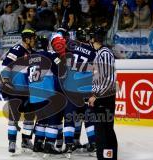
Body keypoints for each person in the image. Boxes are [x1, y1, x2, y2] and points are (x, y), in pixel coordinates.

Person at [50, 26, 97, 158]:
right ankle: (93, 144)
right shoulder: (92, 50)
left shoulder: (68, 47)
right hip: (87, 87)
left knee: (69, 117)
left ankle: (69, 145)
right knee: (88, 117)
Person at [0, 29, 37, 155]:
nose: (34, 40)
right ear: (26, 39)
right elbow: (5, 66)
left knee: (29, 118)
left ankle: (26, 140)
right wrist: (5, 79)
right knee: (14, 117)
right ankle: (12, 141)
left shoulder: (32, 52)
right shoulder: (16, 50)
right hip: (15, 90)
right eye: (32, 38)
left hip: (29, 90)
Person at [87, 26, 117, 160]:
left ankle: (107, 157)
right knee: (103, 129)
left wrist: (96, 96)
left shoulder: (104, 53)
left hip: (104, 98)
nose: (89, 41)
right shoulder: (100, 53)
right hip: (103, 96)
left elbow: (106, 79)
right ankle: (107, 157)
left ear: (95, 39)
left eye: (91, 38)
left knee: (104, 130)